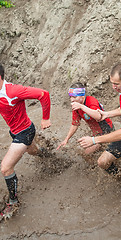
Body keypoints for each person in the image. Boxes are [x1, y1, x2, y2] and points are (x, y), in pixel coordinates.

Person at [0, 64, 51, 220]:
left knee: (6, 168)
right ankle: (51, 158)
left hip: (24, 132)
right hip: (14, 131)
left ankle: (14, 202)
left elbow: (43, 94)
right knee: (33, 151)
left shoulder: (12, 91)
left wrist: (45, 118)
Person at [57, 82, 114, 155]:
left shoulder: (91, 101)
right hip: (96, 134)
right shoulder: (76, 107)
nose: (72, 100)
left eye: (74, 97)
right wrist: (66, 139)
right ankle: (94, 166)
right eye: (70, 97)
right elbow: (75, 124)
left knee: (87, 153)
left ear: (82, 96)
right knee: (84, 152)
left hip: (107, 131)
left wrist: (82, 107)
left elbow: (98, 116)